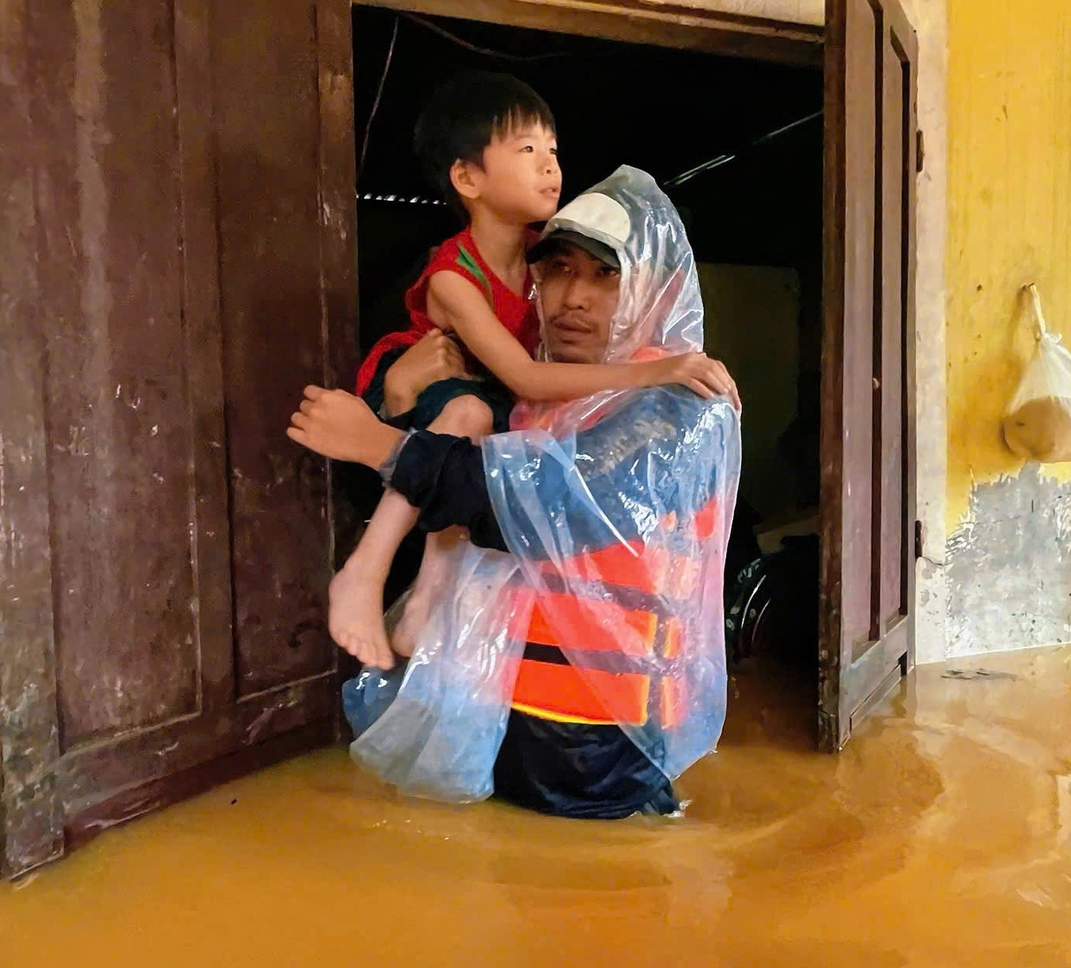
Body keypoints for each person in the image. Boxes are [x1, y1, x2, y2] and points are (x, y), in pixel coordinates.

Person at [292, 167, 741, 818]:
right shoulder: (541, 401)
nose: (573, 297)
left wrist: (380, 444)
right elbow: (433, 504)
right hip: (491, 725)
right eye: (558, 270)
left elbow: (550, 505)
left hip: (599, 753)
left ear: (657, 287)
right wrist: (395, 401)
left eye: (604, 275)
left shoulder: (681, 405)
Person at [334, 72, 737, 671]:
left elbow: (528, 487)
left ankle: (423, 602)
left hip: (605, 687)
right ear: (468, 178)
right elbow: (523, 379)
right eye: (528, 151)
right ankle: (365, 574)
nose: (550, 167)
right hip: (449, 384)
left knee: (485, 440)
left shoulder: (544, 255)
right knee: (471, 422)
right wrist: (393, 404)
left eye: (553, 151)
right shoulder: (454, 275)